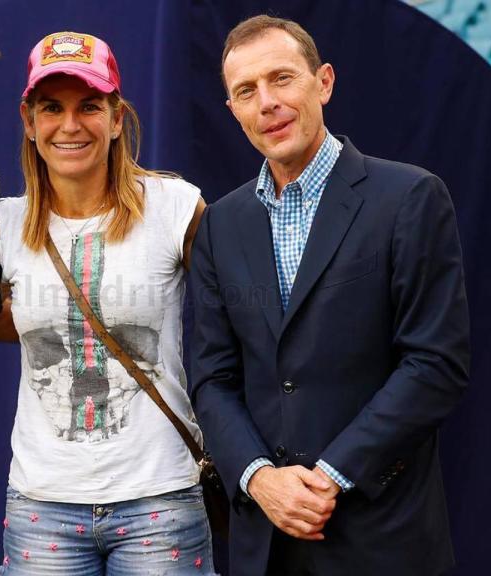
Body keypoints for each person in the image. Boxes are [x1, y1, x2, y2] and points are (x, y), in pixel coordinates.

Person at [190, 15, 470, 576]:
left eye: (282, 78)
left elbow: (435, 364)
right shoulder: (220, 224)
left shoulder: (409, 198)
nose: (267, 102)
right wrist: (259, 479)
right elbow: (212, 377)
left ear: (324, 82)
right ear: (233, 110)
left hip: (380, 536)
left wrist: (329, 477)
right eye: (246, 90)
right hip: (266, 543)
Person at [0, 31, 214, 574]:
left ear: (116, 118)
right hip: (43, 505)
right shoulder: (4, 225)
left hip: (159, 498)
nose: (70, 125)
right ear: (29, 121)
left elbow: (237, 318)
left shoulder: (174, 207)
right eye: (52, 107)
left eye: (89, 106)